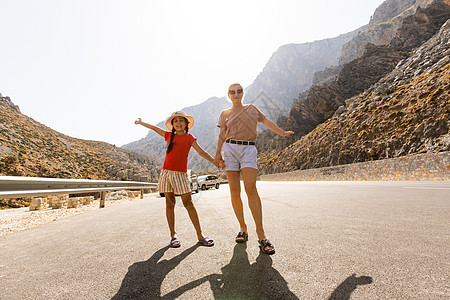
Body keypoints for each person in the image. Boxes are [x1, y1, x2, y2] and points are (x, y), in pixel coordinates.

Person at [214, 83, 294, 255]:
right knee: (234, 192)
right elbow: (221, 135)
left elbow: (267, 122)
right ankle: (243, 228)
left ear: (243, 93)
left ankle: (261, 235)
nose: (236, 94)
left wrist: (283, 133)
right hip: (229, 149)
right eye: (232, 92)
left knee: (250, 187)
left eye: (239, 91)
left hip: (248, 149)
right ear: (228, 95)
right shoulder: (224, 114)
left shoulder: (252, 109)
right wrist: (217, 155)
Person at [135, 111, 217, 248]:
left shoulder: (190, 137)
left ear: (186, 124)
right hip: (166, 174)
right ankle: (173, 235)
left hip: (181, 175)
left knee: (189, 203)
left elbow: (201, 152)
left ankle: (200, 235)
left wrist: (214, 161)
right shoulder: (168, 136)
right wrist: (142, 122)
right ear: (172, 125)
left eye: (181, 120)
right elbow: (155, 129)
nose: (178, 122)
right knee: (169, 203)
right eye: (175, 120)